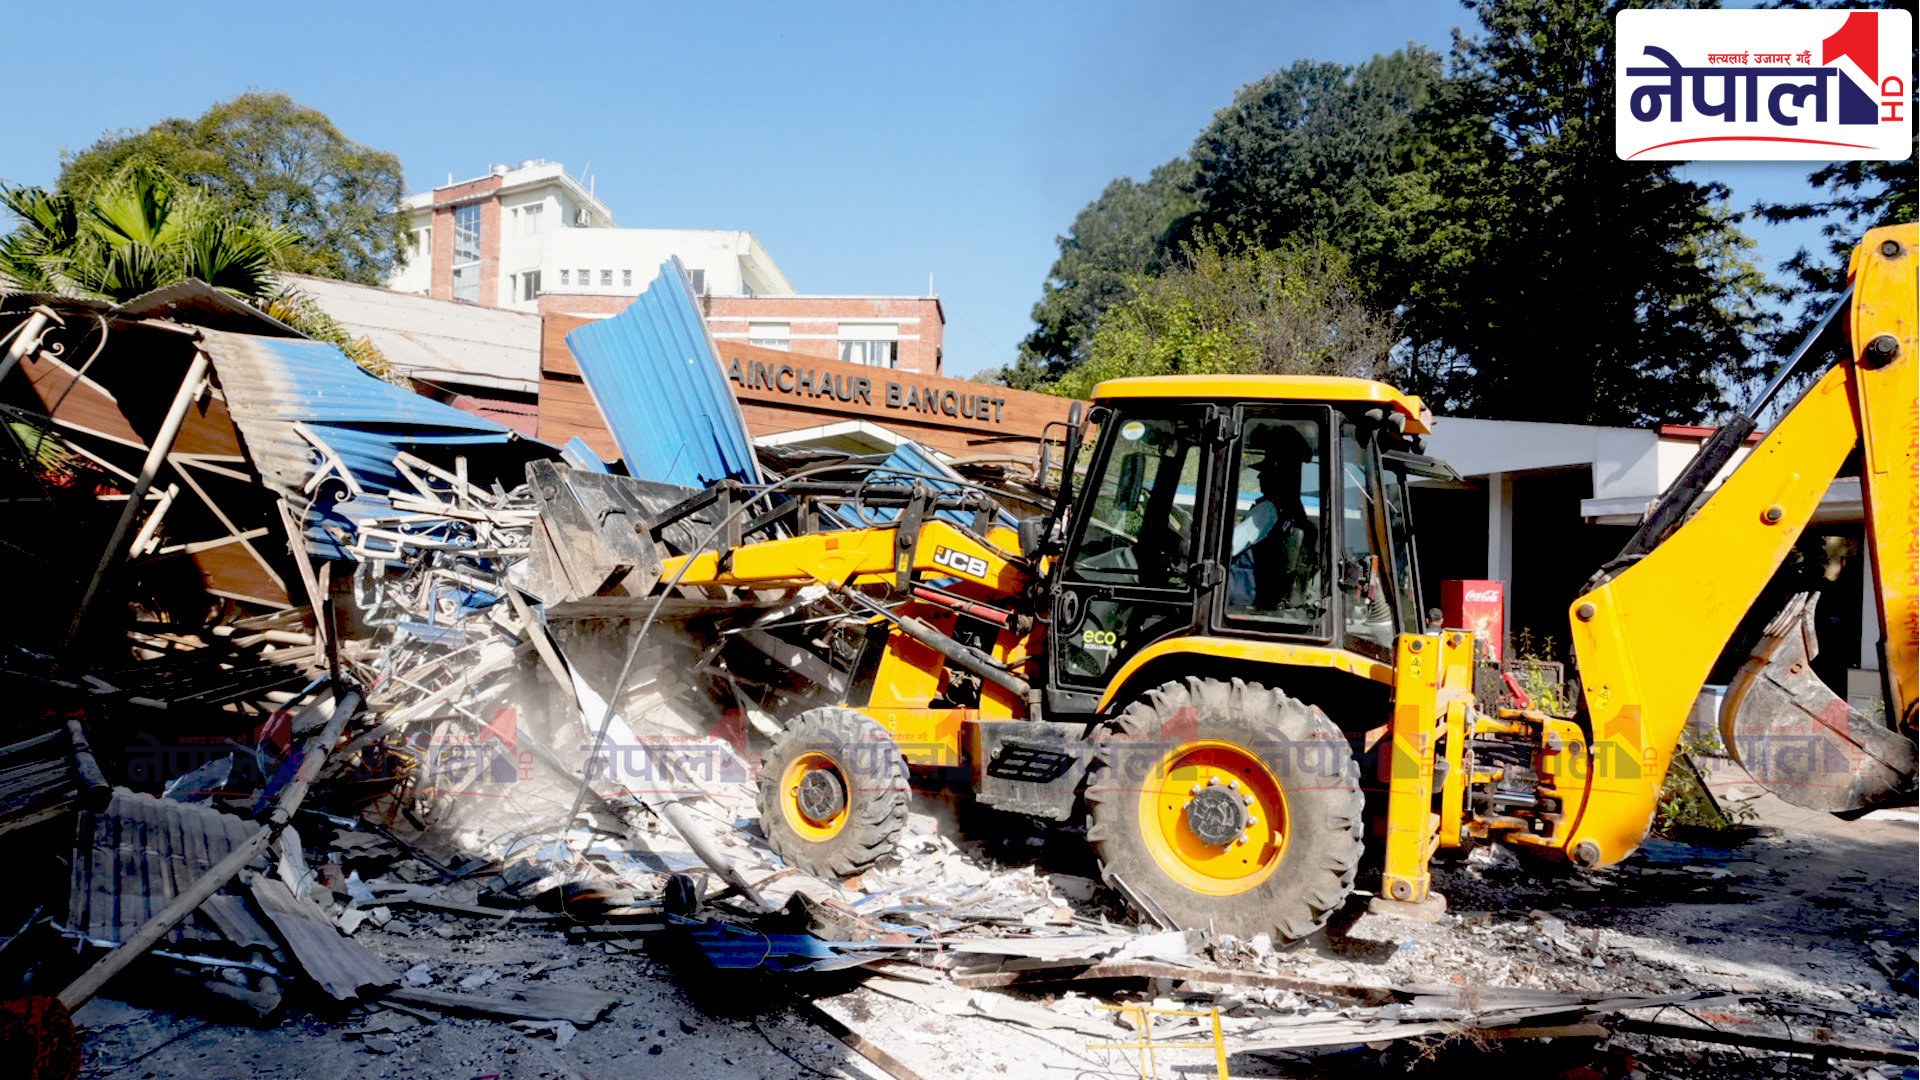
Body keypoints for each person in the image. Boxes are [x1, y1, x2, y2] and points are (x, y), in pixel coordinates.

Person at [1228, 424, 1318, 614]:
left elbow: (1227, 548)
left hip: (1243, 598)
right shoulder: (1292, 511)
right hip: (1265, 599)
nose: (1260, 476)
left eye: (1266, 470)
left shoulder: (1267, 510)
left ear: (1277, 474)